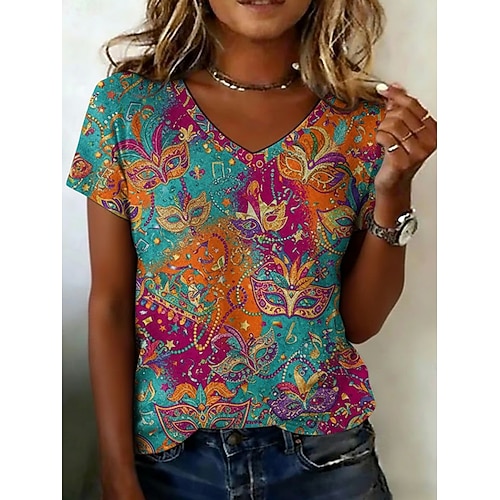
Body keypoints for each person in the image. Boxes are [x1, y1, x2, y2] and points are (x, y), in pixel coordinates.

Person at [66, 0, 436, 498]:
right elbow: (110, 303)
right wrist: (116, 472)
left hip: (325, 459)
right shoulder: (129, 108)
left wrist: (395, 188)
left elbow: (359, 323)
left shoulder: (364, 123)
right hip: (169, 461)